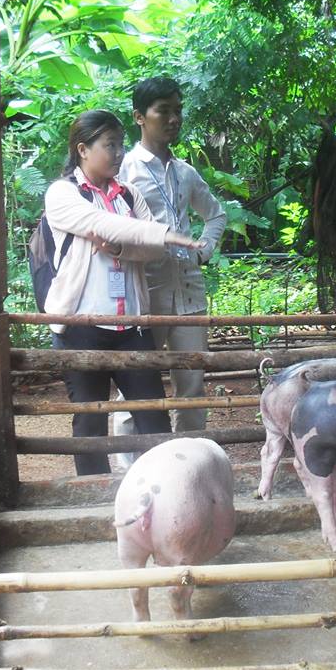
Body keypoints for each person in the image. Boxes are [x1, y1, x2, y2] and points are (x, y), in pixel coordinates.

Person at [44, 109, 204, 475]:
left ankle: (162, 491)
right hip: (80, 328)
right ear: (83, 149)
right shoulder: (62, 194)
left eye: (120, 145)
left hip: (131, 326)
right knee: (89, 423)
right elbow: (102, 223)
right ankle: (94, 501)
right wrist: (161, 233)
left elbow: (147, 248)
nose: (118, 153)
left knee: (153, 416)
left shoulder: (128, 195)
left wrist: (120, 248)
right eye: (109, 145)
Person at [118, 76, 227, 433]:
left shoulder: (185, 173)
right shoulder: (124, 170)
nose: (173, 119)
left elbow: (216, 213)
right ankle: (128, 470)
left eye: (177, 111)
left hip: (190, 294)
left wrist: (204, 252)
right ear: (139, 117)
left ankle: (189, 463)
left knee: (192, 386)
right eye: (163, 111)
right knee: (135, 385)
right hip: (144, 296)